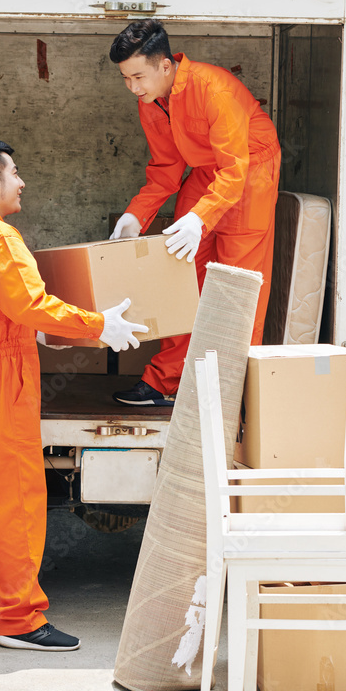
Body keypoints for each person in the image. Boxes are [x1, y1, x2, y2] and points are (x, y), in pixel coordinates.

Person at [0, 139, 147, 651]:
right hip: (2, 378)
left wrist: (40, 331)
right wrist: (97, 324)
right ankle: (22, 620)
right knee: (17, 499)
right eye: (14, 172)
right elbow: (29, 303)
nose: (22, 181)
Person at [109, 20, 281, 407]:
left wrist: (202, 217)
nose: (133, 87)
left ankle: (228, 395)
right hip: (208, 173)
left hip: (250, 171)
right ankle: (166, 380)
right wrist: (136, 215)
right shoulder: (151, 103)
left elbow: (235, 169)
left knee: (238, 287)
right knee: (181, 275)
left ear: (165, 66)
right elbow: (166, 169)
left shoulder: (213, 89)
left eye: (138, 76)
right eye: (125, 78)